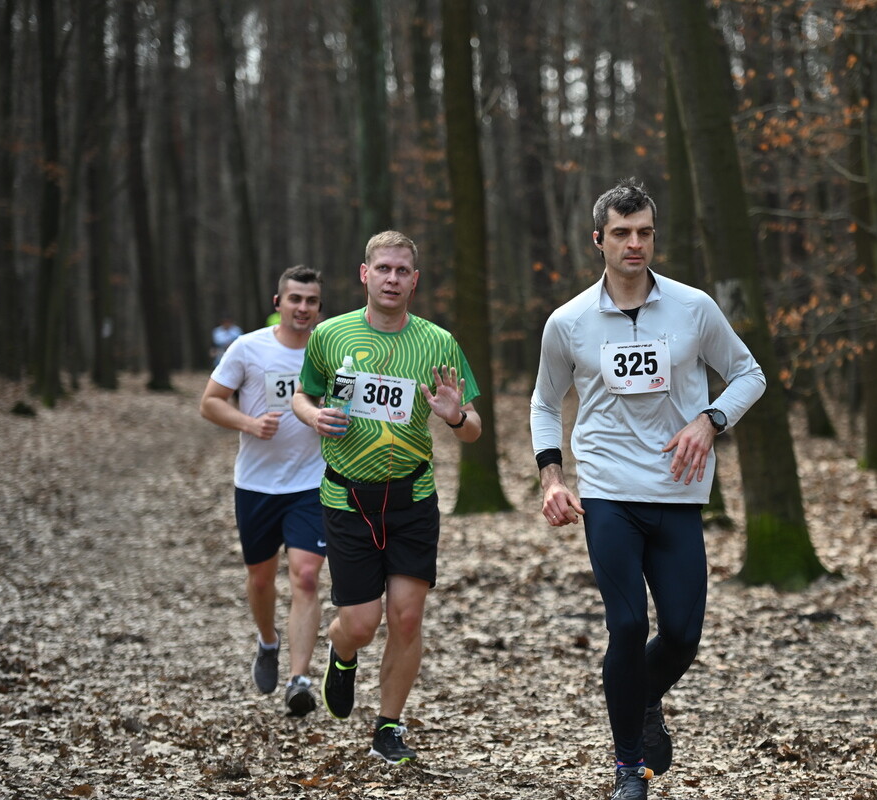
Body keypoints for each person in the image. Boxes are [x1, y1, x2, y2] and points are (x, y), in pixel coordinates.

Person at [529, 180, 767, 800]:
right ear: (598, 240)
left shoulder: (692, 308)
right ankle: (628, 768)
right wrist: (551, 476)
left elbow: (749, 373)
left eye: (645, 233)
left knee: (684, 635)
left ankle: (639, 698)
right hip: (608, 490)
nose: (635, 244)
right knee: (628, 625)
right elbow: (544, 401)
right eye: (622, 233)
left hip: (680, 492)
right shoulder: (570, 322)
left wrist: (711, 420)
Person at [292, 230, 482, 765]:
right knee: (361, 622)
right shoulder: (329, 335)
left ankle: (389, 725)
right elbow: (303, 395)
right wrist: (312, 414)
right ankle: (342, 651)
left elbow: (473, 429)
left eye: (403, 271)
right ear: (365, 274)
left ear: (415, 280)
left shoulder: (438, 343)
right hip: (348, 497)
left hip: (412, 497)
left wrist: (455, 416)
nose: (393, 279)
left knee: (406, 617)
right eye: (384, 269)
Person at [199, 266, 328, 717]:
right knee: (260, 578)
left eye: (311, 301)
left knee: (307, 576)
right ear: (279, 304)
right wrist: (250, 423)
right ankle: (267, 641)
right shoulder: (248, 347)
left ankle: (299, 679)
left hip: (312, 483)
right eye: (295, 299)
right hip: (255, 483)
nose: (303, 308)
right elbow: (210, 402)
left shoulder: (329, 351)